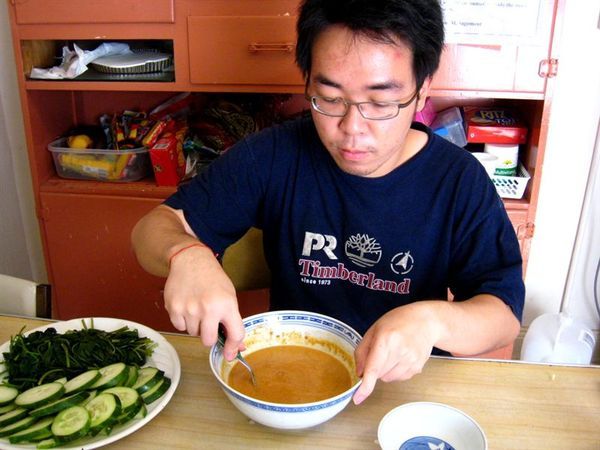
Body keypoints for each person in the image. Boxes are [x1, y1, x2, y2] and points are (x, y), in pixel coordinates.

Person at [131, 0, 524, 405]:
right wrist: (186, 253)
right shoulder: (275, 154)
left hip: (403, 392)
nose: (352, 130)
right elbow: (154, 227)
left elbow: (503, 315)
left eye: (381, 102)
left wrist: (433, 321)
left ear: (422, 87)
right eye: (329, 98)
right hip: (290, 389)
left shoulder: (457, 181)